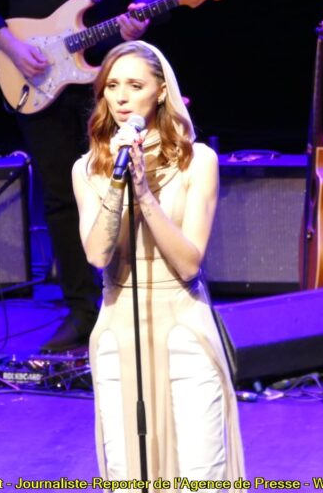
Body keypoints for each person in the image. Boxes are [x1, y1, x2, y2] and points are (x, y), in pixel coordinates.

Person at [0, 0, 169, 352]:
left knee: (128, 185)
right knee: (59, 197)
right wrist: (10, 44)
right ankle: (83, 310)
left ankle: (135, 300)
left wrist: (141, 11)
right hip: (34, 78)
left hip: (107, 76)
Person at [73, 41, 245, 487]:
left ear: (161, 91)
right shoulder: (87, 170)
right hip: (118, 329)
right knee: (128, 471)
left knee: (200, 471)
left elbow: (189, 264)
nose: (121, 97)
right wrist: (117, 184)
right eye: (112, 86)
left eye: (135, 85)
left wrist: (144, 194)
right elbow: (97, 255)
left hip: (183, 326)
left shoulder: (197, 161)